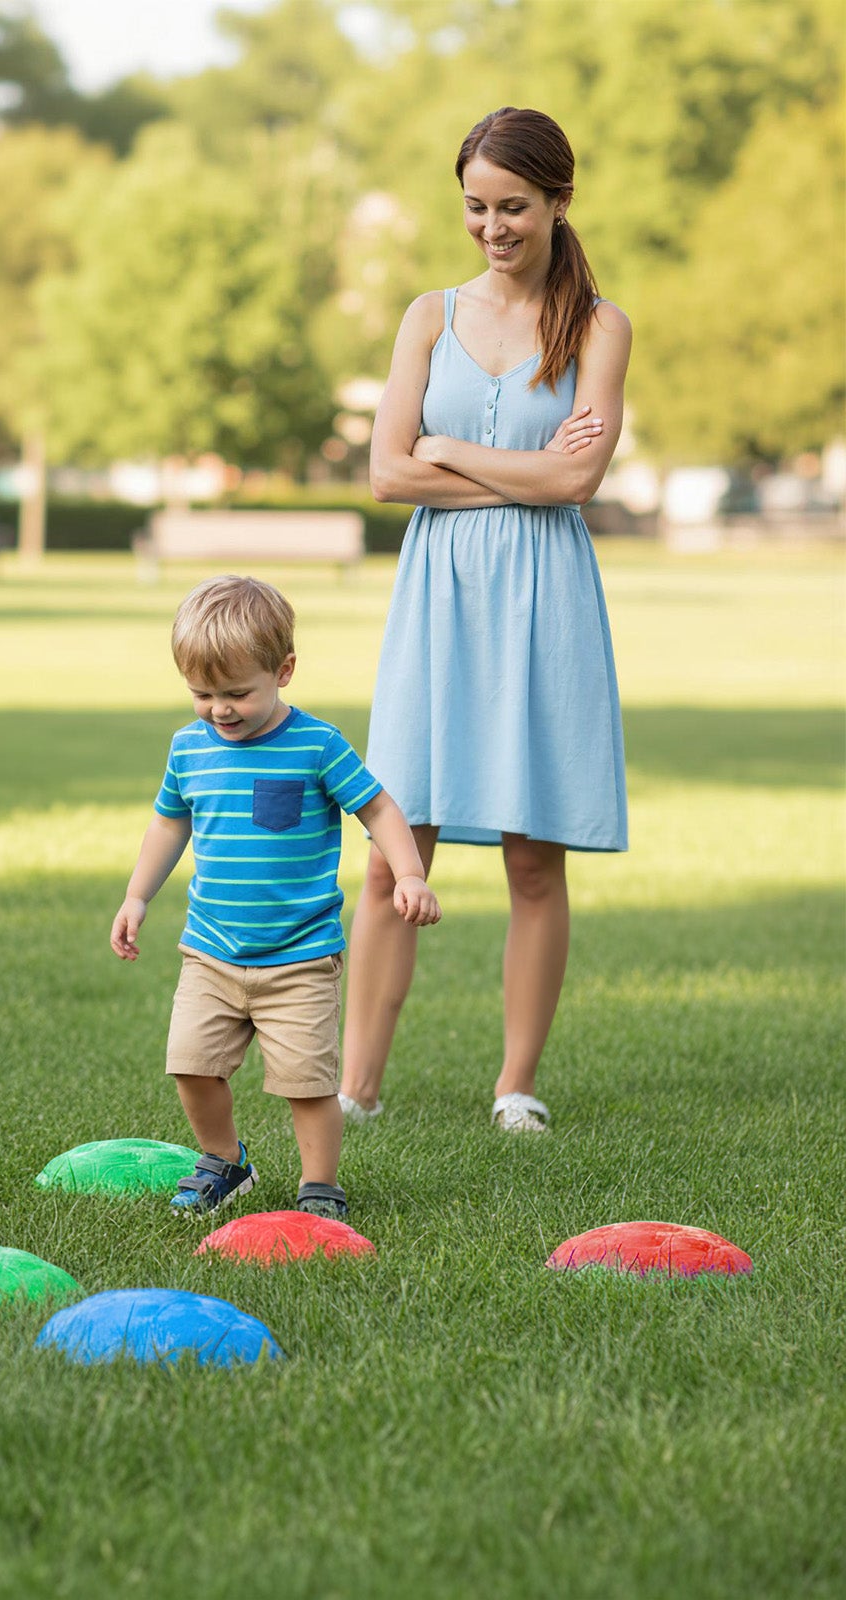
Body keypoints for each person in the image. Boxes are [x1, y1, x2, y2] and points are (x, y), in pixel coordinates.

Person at [343, 106, 631, 1135]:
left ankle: (516, 1086)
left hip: (543, 599)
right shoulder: (428, 315)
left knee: (531, 855)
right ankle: (357, 1086)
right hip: (438, 596)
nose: (493, 226)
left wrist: (448, 450)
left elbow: (576, 478)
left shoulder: (599, 327)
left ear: (559, 202)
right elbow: (384, 471)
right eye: (475, 206)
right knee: (392, 846)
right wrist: (524, 472)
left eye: (513, 206)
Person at [110, 576, 440, 1218]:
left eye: (237, 693)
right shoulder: (188, 748)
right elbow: (169, 822)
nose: (219, 709)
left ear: (284, 670)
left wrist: (409, 874)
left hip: (300, 956)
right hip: (210, 951)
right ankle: (224, 1162)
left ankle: (319, 1186)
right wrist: (137, 896)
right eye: (202, 693)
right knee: (192, 1065)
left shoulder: (317, 745)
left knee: (307, 1083)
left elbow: (378, 808)